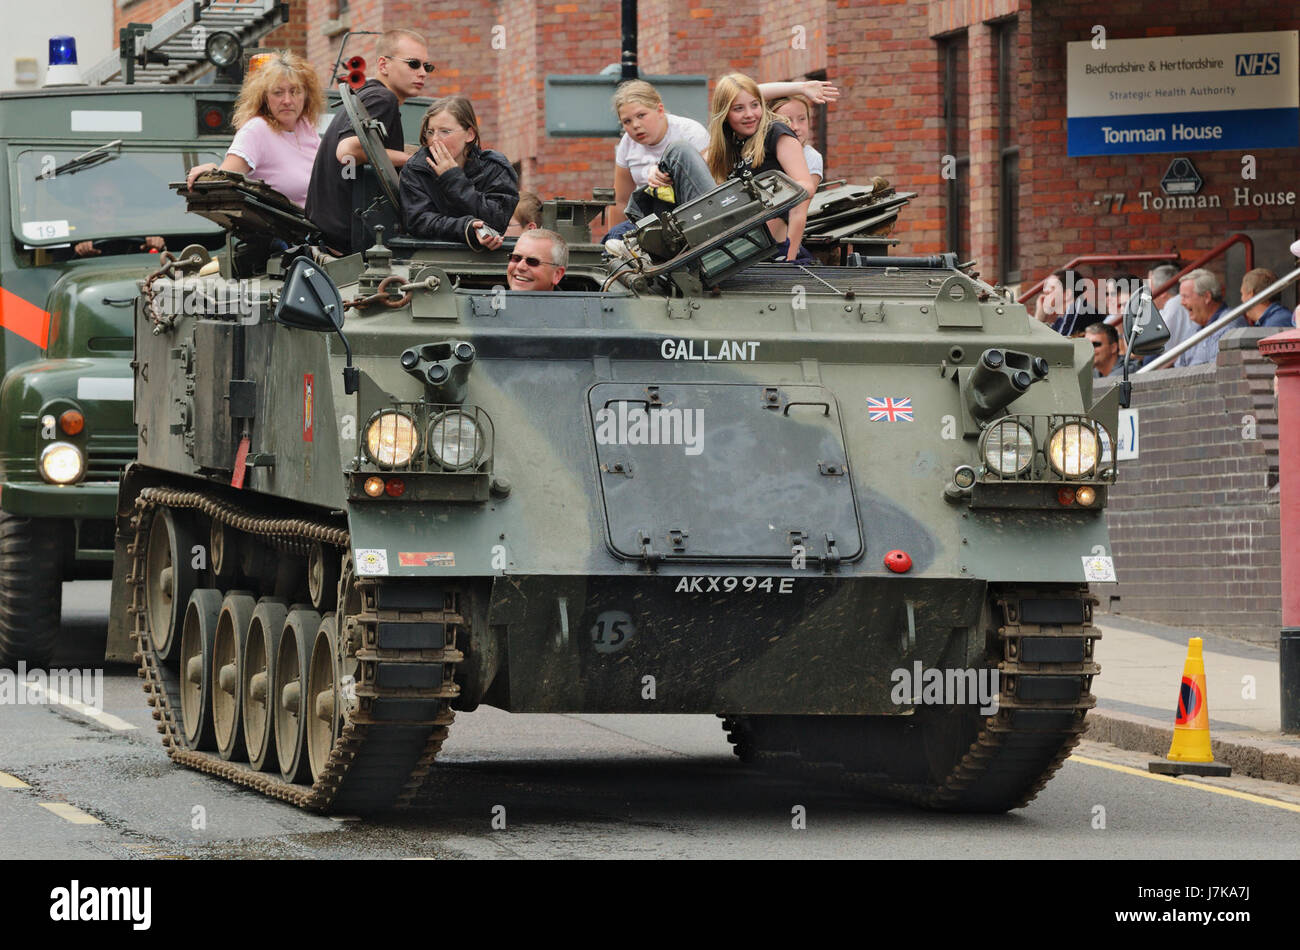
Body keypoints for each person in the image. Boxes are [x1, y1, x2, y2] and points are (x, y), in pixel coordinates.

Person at [305, 28, 431, 254]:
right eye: (413, 64)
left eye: (426, 66)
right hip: (347, 250)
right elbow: (347, 151)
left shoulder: (367, 96)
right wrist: (414, 158)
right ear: (383, 65)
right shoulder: (383, 98)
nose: (422, 72)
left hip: (330, 244)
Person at [184, 50, 323, 208]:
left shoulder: (305, 126)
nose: (287, 100)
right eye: (278, 93)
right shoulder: (256, 129)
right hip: (276, 230)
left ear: (306, 96)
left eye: (295, 91)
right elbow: (224, 181)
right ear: (264, 97)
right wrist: (212, 170)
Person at [399, 96, 516, 249]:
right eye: (430, 132)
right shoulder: (416, 169)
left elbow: (497, 221)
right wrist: (465, 227)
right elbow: (418, 221)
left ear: (470, 134)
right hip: (431, 258)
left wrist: (453, 178)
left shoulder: (494, 168)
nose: (435, 139)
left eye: (445, 131)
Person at [606, 79, 710, 241]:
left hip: (691, 211)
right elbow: (621, 201)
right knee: (615, 235)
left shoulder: (690, 132)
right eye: (627, 121)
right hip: (649, 219)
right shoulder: (626, 144)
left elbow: (707, 183)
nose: (635, 125)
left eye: (641, 115)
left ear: (660, 110)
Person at [74, 179, 164, 257]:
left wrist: (156, 243)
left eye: (108, 200)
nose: (101, 206)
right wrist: (81, 250)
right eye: (95, 200)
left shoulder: (133, 234)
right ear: (86, 202)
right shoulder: (75, 235)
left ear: (119, 202)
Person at [1174, 268, 1241, 368]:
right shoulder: (1194, 326)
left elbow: (1216, 373)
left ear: (1206, 297)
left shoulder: (1229, 327)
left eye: (1186, 297)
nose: (1182, 302)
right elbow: (1179, 366)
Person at [1147, 262, 1196, 350]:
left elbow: (1152, 345)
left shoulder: (1174, 305)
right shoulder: (1168, 307)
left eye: (1149, 289)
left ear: (1162, 292)